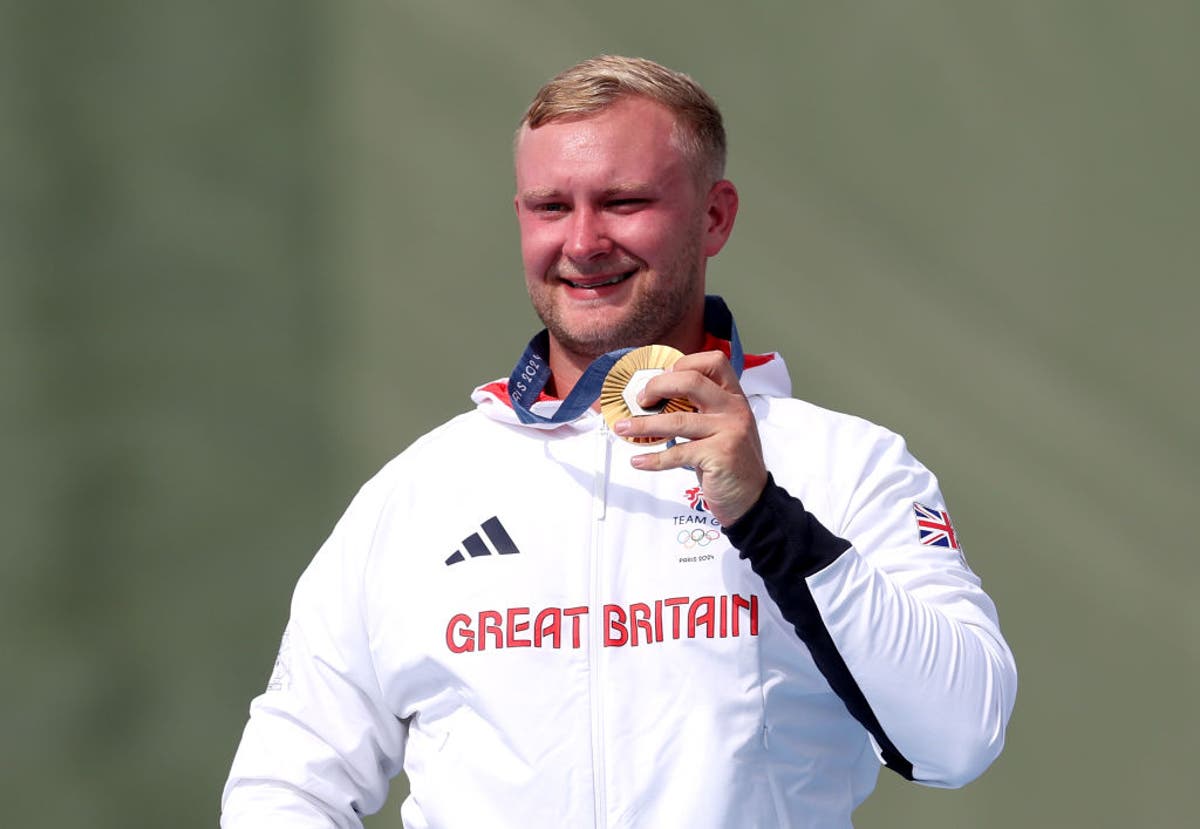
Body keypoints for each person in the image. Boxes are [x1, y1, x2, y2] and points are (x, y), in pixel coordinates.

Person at [221, 55, 1017, 828]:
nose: (584, 241)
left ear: (715, 216)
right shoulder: (420, 491)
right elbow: (287, 781)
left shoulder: (847, 464)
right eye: (551, 206)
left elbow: (960, 736)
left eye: (624, 201)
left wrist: (767, 518)